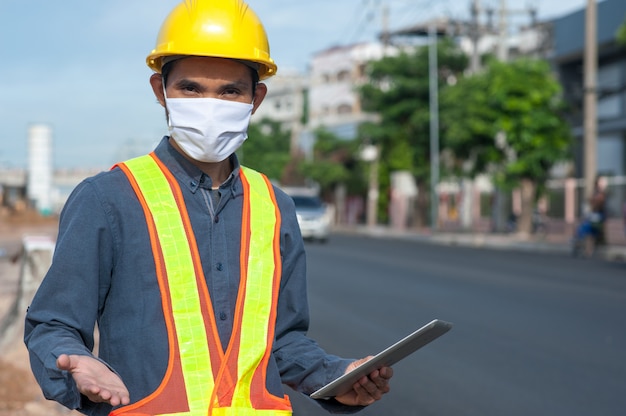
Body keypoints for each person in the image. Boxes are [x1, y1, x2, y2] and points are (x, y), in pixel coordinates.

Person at [23, 1, 392, 415]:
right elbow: (53, 323)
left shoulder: (274, 206)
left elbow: (283, 342)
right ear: (160, 91)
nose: (210, 104)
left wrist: (336, 377)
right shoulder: (107, 199)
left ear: (257, 97)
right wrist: (78, 365)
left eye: (230, 91)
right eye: (191, 88)